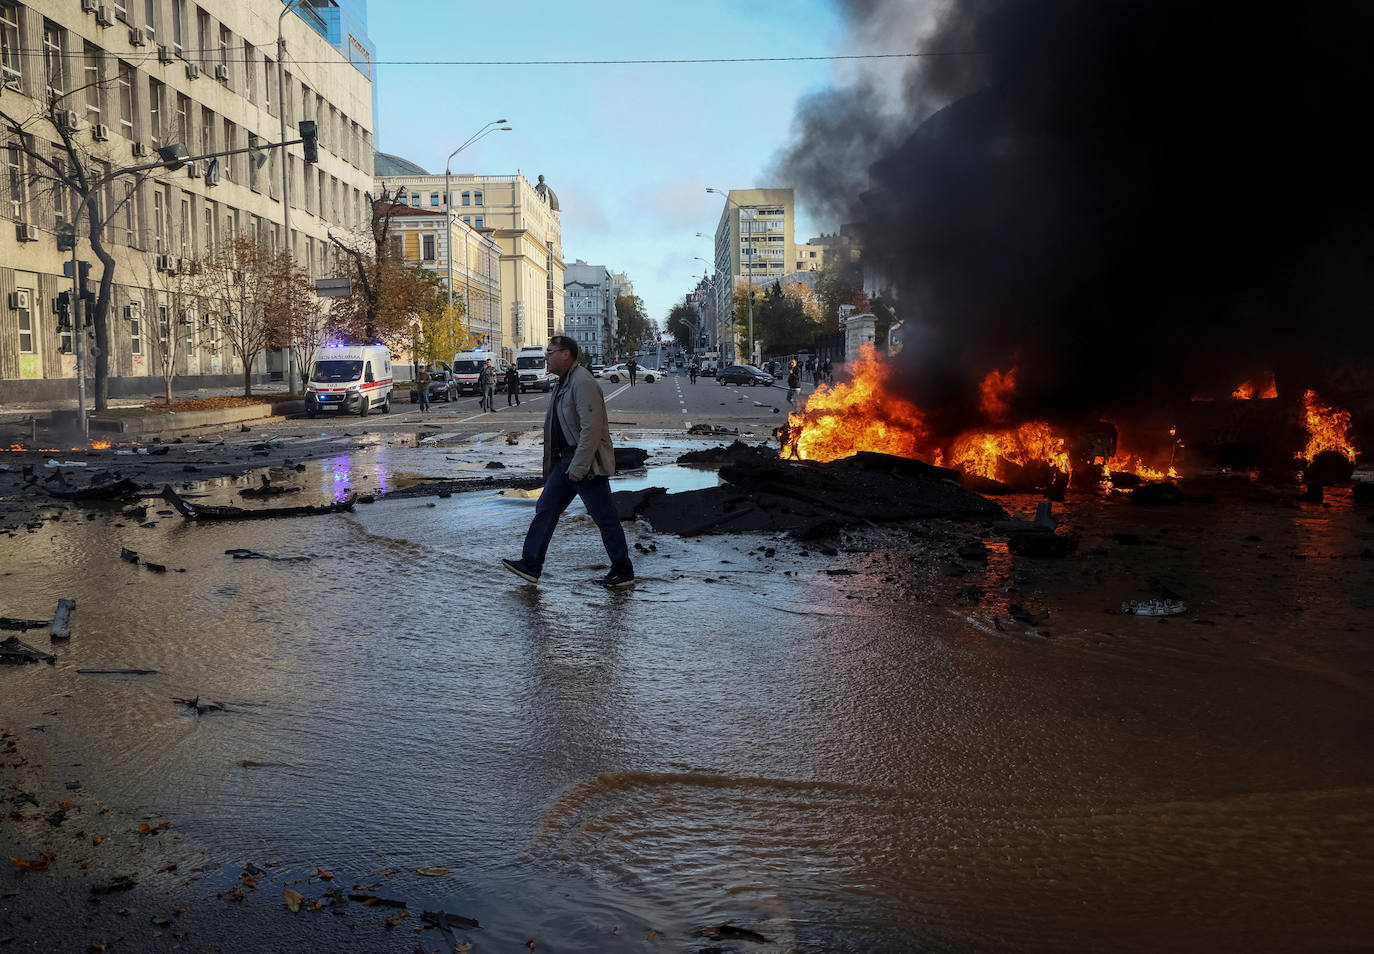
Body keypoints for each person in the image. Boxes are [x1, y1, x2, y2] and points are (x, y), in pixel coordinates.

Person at [503, 336, 635, 588]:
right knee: (546, 508)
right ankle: (531, 564)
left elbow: (591, 428)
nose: (546, 357)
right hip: (567, 460)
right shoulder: (565, 381)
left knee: (604, 517)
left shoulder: (582, 382)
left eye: (550, 352)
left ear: (566, 354)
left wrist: (579, 466)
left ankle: (623, 570)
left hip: (584, 462)